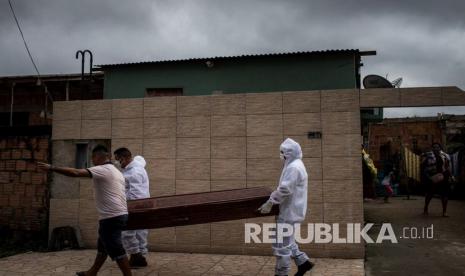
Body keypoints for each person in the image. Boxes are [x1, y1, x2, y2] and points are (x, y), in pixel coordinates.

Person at [38, 145, 132, 276]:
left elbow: (76, 173)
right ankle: (92, 273)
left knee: (116, 249)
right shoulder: (116, 171)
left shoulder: (103, 169)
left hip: (112, 217)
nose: (92, 161)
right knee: (103, 247)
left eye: (93, 158)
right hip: (117, 215)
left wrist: (51, 167)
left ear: (97, 157)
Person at [258, 138, 314, 276]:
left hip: (289, 213)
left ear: (289, 153)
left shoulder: (294, 167)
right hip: (292, 211)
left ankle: (282, 274)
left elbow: (285, 189)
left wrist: (270, 202)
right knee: (288, 241)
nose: (281, 155)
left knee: (281, 245)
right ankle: (303, 262)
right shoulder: (296, 164)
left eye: (282, 152)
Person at [113, 147, 150, 268]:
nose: (117, 162)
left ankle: (136, 256)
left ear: (124, 158)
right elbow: (140, 158)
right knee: (139, 232)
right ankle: (140, 257)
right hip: (142, 206)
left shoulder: (134, 172)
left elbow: (136, 195)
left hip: (134, 206)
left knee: (127, 233)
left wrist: (121, 201)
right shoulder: (136, 166)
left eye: (117, 160)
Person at [422, 142, 452, 217]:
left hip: (443, 176)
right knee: (429, 194)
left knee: (444, 195)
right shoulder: (428, 156)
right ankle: (426, 208)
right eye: (434, 147)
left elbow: (448, 167)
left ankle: (444, 212)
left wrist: (451, 176)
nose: (436, 148)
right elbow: (424, 167)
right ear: (432, 148)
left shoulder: (445, 156)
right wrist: (428, 177)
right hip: (433, 177)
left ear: (440, 148)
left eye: (437, 147)